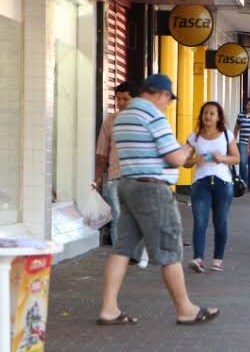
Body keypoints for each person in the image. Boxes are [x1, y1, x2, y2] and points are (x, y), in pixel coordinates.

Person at [98, 74, 219, 326]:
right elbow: (174, 158)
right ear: (160, 94)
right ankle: (185, 308)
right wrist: (186, 149)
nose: (167, 104)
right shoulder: (153, 116)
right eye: (167, 99)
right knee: (169, 247)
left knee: (122, 248)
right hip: (152, 189)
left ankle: (108, 308)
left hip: (127, 185)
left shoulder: (121, 118)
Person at [94, 82, 150, 267]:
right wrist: (97, 178)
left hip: (139, 177)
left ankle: (135, 252)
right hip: (115, 177)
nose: (122, 102)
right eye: (118, 99)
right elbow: (102, 153)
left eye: (126, 99)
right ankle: (122, 256)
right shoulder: (110, 121)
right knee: (118, 216)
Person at [184, 102, 240, 273]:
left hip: (223, 184)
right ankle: (198, 258)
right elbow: (184, 162)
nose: (208, 116)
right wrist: (195, 160)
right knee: (200, 222)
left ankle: (218, 259)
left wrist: (222, 158)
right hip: (201, 183)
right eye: (205, 113)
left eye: (212, 113)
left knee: (220, 222)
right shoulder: (194, 137)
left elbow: (236, 158)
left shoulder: (226, 135)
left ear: (218, 117)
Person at [234, 98, 250, 190]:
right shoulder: (241, 115)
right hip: (243, 142)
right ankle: (243, 181)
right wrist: (233, 139)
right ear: (246, 105)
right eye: (248, 105)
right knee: (243, 162)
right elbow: (236, 128)